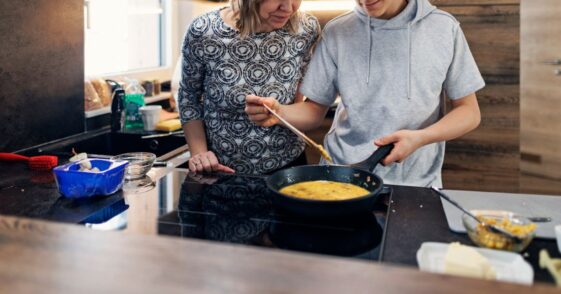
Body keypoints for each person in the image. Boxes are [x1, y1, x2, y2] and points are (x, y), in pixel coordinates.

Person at [246, 0, 483, 187]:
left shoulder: (444, 27)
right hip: (340, 174)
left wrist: (420, 138)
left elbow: (469, 112)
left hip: (416, 182)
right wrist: (280, 113)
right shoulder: (337, 31)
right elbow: (313, 111)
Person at [178, 0, 320, 175]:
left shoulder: (306, 29)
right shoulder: (204, 31)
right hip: (222, 169)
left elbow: (299, 98)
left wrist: (282, 112)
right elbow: (188, 97)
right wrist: (200, 153)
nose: (288, 8)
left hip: (288, 165)